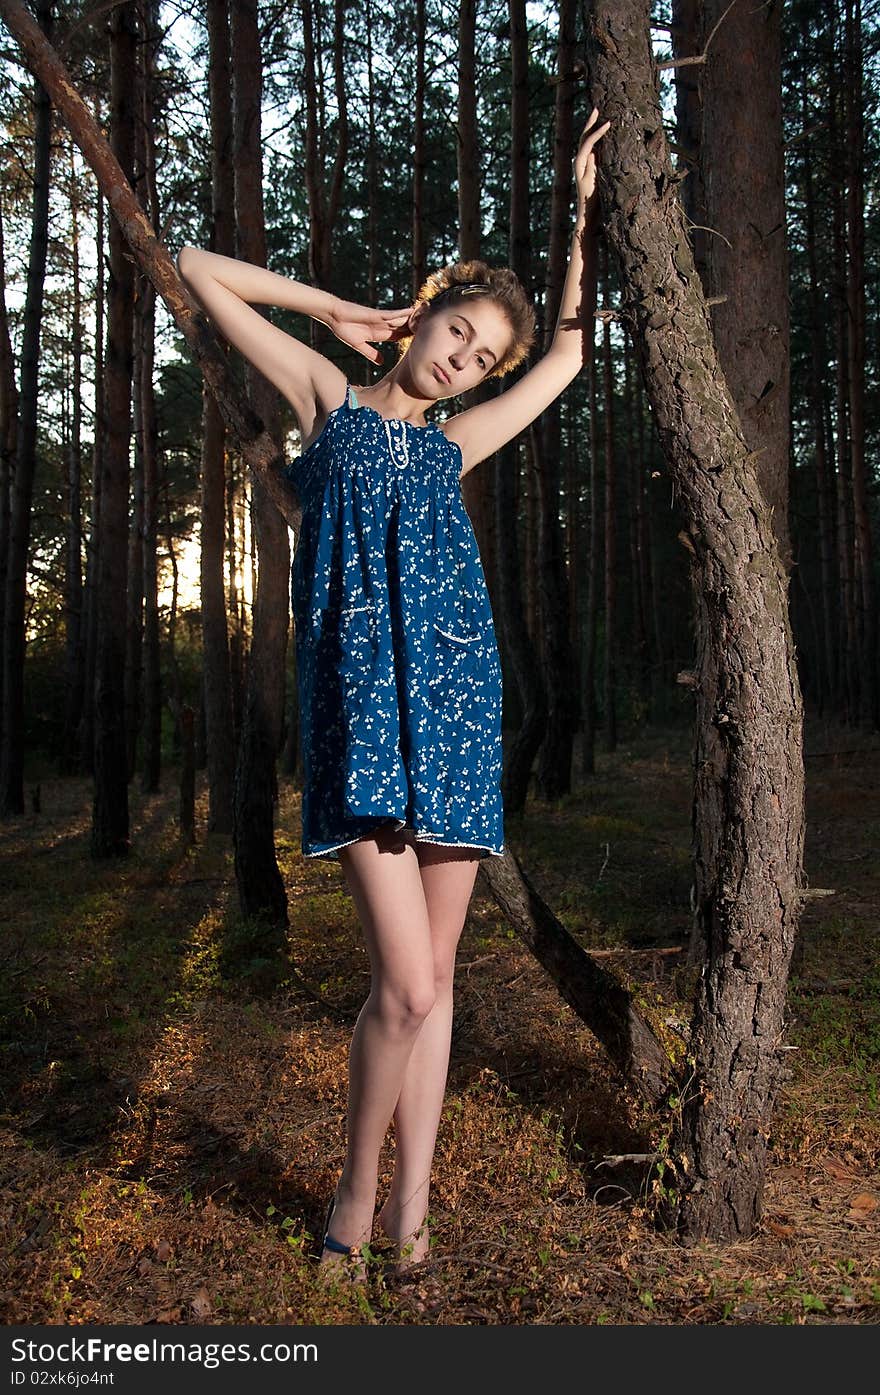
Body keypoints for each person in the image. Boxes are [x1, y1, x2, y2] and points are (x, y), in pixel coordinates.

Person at [177, 107, 610, 1283]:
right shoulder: (326, 398)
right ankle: (355, 1191)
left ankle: (414, 1206)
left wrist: (581, 213)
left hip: (459, 716)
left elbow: (568, 355)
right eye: (456, 334)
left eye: (479, 358)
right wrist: (329, 309)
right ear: (421, 316)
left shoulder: (457, 444)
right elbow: (197, 269)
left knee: (434, 985)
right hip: (362, 717)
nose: (462, 361)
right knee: (407, 983)